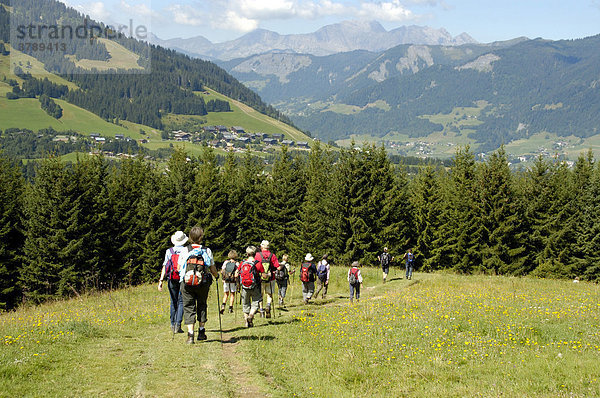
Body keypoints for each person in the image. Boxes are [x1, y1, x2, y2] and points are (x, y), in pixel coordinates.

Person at [177, 226, 219, 344]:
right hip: (202, 283)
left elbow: (179, 268)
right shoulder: (207, 250)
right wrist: (217, 276)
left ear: (190, 237)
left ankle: (190, 336)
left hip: (187, 283)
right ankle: (201, 331)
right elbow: (212, 268)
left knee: (188, 306)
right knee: (202, 304)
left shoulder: (185, 250)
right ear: (201, 238)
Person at [158, 230, 188, 334]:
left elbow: (165, 266)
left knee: (173, 301)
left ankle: (172, 324)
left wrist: (161, 280)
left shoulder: (169, 251)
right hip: (182, 278)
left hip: (171, 278)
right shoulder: (186, 250)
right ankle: (178, 325)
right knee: (181, 301)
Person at [255, 240, 281, 319]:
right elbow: (278, 267)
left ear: (261, 246)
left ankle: (262, 311)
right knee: (269, 294)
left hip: (260, 278)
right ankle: (268, 305)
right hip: (271, 278)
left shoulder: (257, 255)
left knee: (261, 295)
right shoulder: (272, 255)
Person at [239, 246, 264, 328]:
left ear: (247, 254)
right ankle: (251, 315)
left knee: (245, 303)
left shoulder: (242, 263)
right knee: (255, 301)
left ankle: (246, 322)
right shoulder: (257, 263)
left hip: (244, 286)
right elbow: (263, 274)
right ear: (255, 253)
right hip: (255, 286)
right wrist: (269, 275)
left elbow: (237, 273)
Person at [220, 250, 239, 314]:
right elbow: (237, 272)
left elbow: (222, 271)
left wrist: (223, 278)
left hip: (226, 280)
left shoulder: (226, 262)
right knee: (232, 294)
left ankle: (223, 306)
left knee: (226, 294)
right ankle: (230, 308)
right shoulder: (237, 263)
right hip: (233, 280)